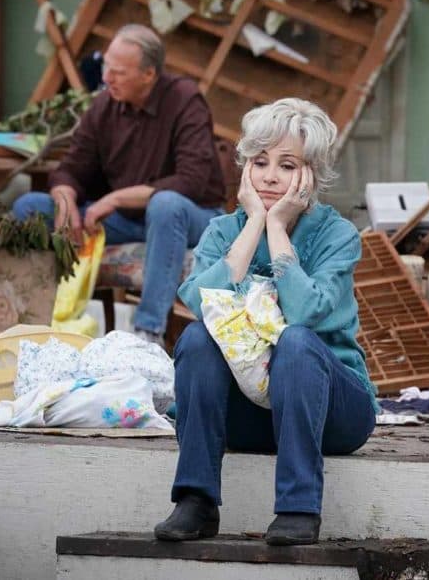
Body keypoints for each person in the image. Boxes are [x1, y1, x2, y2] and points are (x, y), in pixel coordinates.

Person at [153, 98, 378, 546]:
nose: (270, 176)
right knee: (199, 338)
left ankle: (298, 509)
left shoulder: (339, 236)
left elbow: (306, 313)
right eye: (260, 162)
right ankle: (195, 502)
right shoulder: (223, 230)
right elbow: (201, 303)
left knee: (294, 341)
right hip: (252, 416)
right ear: (245, 169)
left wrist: (277, 228)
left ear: (310, 174)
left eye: (287, 164)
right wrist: (254, 222)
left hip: (335, 412)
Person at [12, 25, 225, 346]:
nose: (107, 76)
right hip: (128, 222)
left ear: (149, 74)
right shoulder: (104, 105)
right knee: (28, 207)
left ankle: (147, 333)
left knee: (165, 205)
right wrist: (65, 200)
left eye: (118, 71)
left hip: (191, 216)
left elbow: (191, 181)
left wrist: (115, 199)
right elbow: (71, 168)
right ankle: (36, 321)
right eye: (106, 65)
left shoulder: (185, 100)